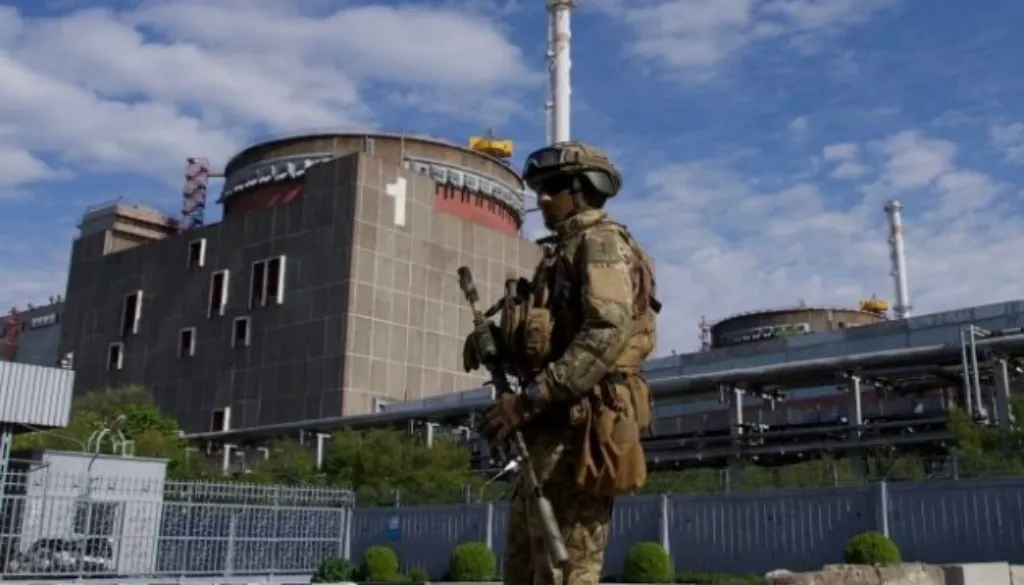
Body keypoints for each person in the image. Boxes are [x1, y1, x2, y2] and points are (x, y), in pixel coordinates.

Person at [469, 141, 661, 585]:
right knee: (523, 568)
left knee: (566, 572)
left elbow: (605, 333)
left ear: (583, 189)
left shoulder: (600, 243)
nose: (540, 198)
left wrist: (528, 400)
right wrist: (498, 344)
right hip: (547, 434)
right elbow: (554, 342)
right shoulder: (562, 252)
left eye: (552, 187)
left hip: (581, 435)